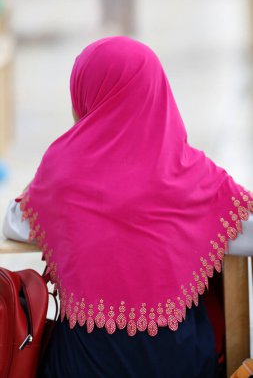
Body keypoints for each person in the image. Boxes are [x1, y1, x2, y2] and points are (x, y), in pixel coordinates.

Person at [2, 36, 253, 378]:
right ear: (157, 93)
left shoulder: (61, 174)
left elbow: (15, 224)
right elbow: (245, 229)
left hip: (84, 369)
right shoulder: (193, 176)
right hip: (184, 367)